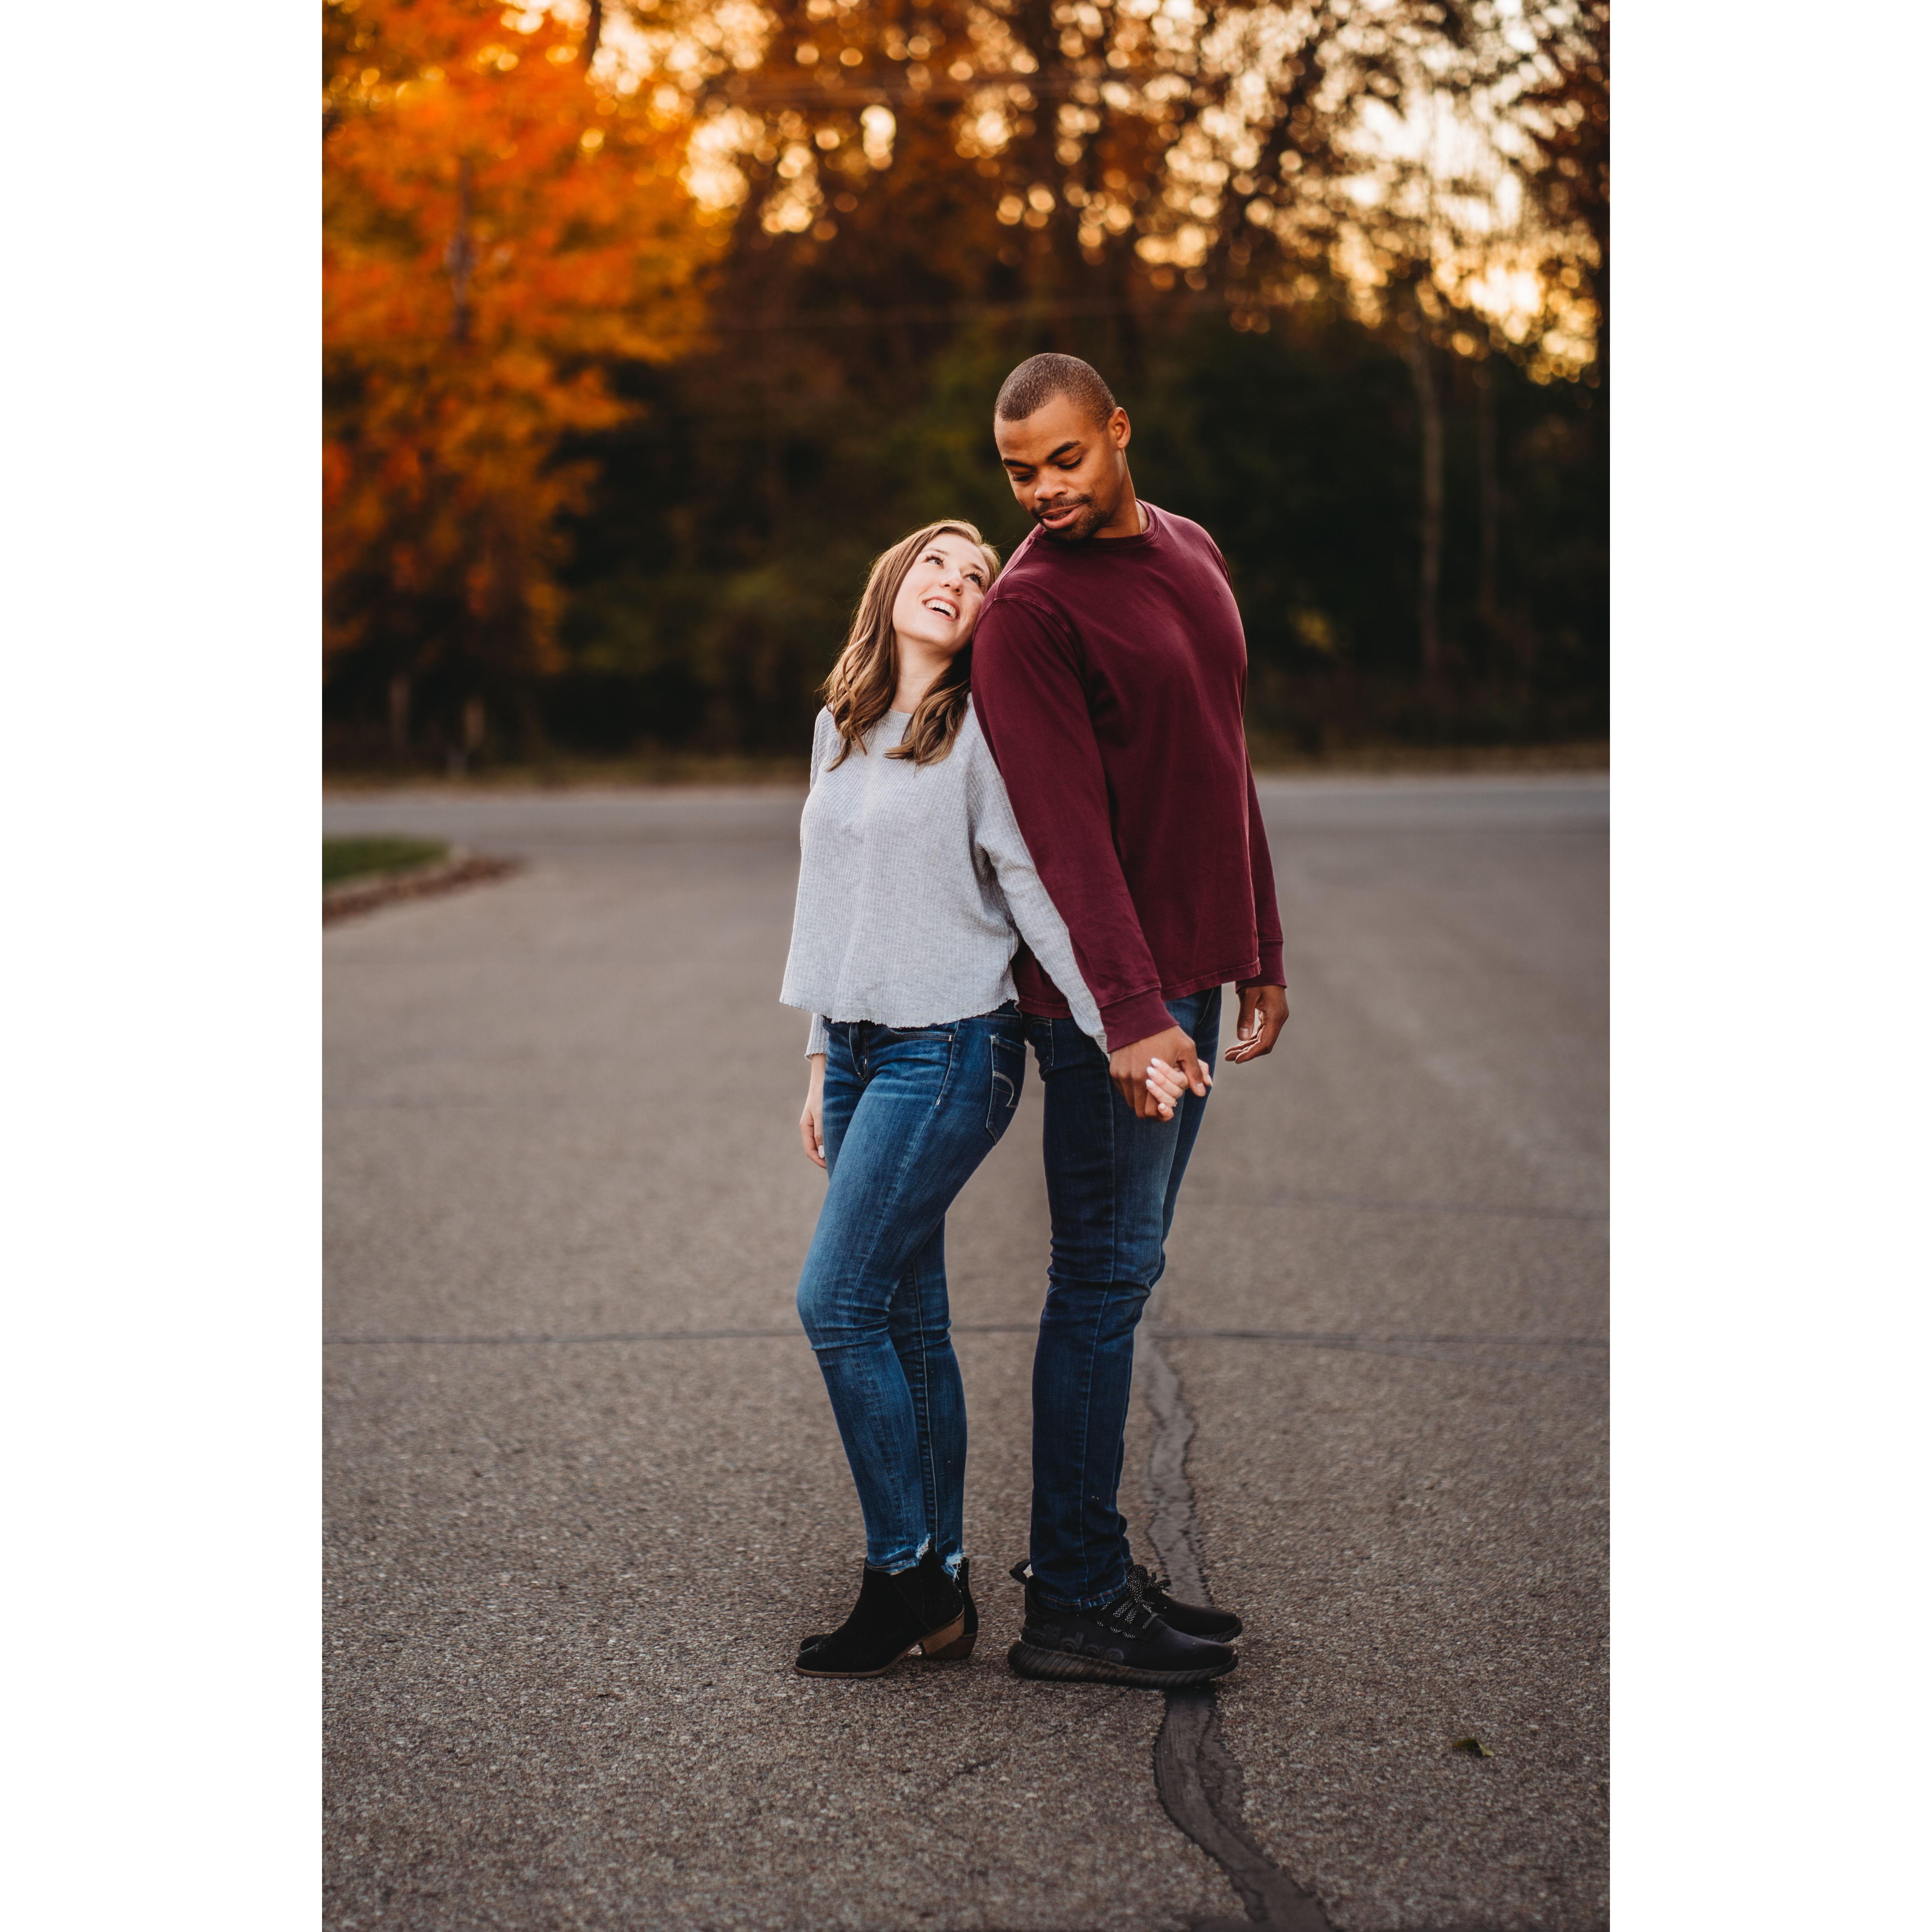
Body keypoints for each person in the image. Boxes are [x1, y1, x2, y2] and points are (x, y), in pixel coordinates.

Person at [779, 518, 1200, 1680]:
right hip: (861, 1053)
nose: (957, 583)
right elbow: (832, 904)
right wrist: (821, 1056)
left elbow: (1034, 889)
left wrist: (1125, 1021)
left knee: (836, 1302)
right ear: (893, 576)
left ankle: (899, 1572)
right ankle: (944, 1596)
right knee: (908, 1325)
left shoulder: (981, 733)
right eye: (937, 562)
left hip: (951, 1054)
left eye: (978, 577)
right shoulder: (840, 728)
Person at [970, 352, 1292, 1688]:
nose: (1041, 490)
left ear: (1117, 433)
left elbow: (1222, 758)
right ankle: (1077, 1603)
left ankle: (1082, 1560)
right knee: (1102, 1283)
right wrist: (1129, 1008)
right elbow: (1064, 842)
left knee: (1122, 1275)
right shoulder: (1028, 615)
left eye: (1063, 459)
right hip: (1113, 1010)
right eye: (1016, 471)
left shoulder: (1193, 549)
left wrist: (1259, 943)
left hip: (1186, 987)